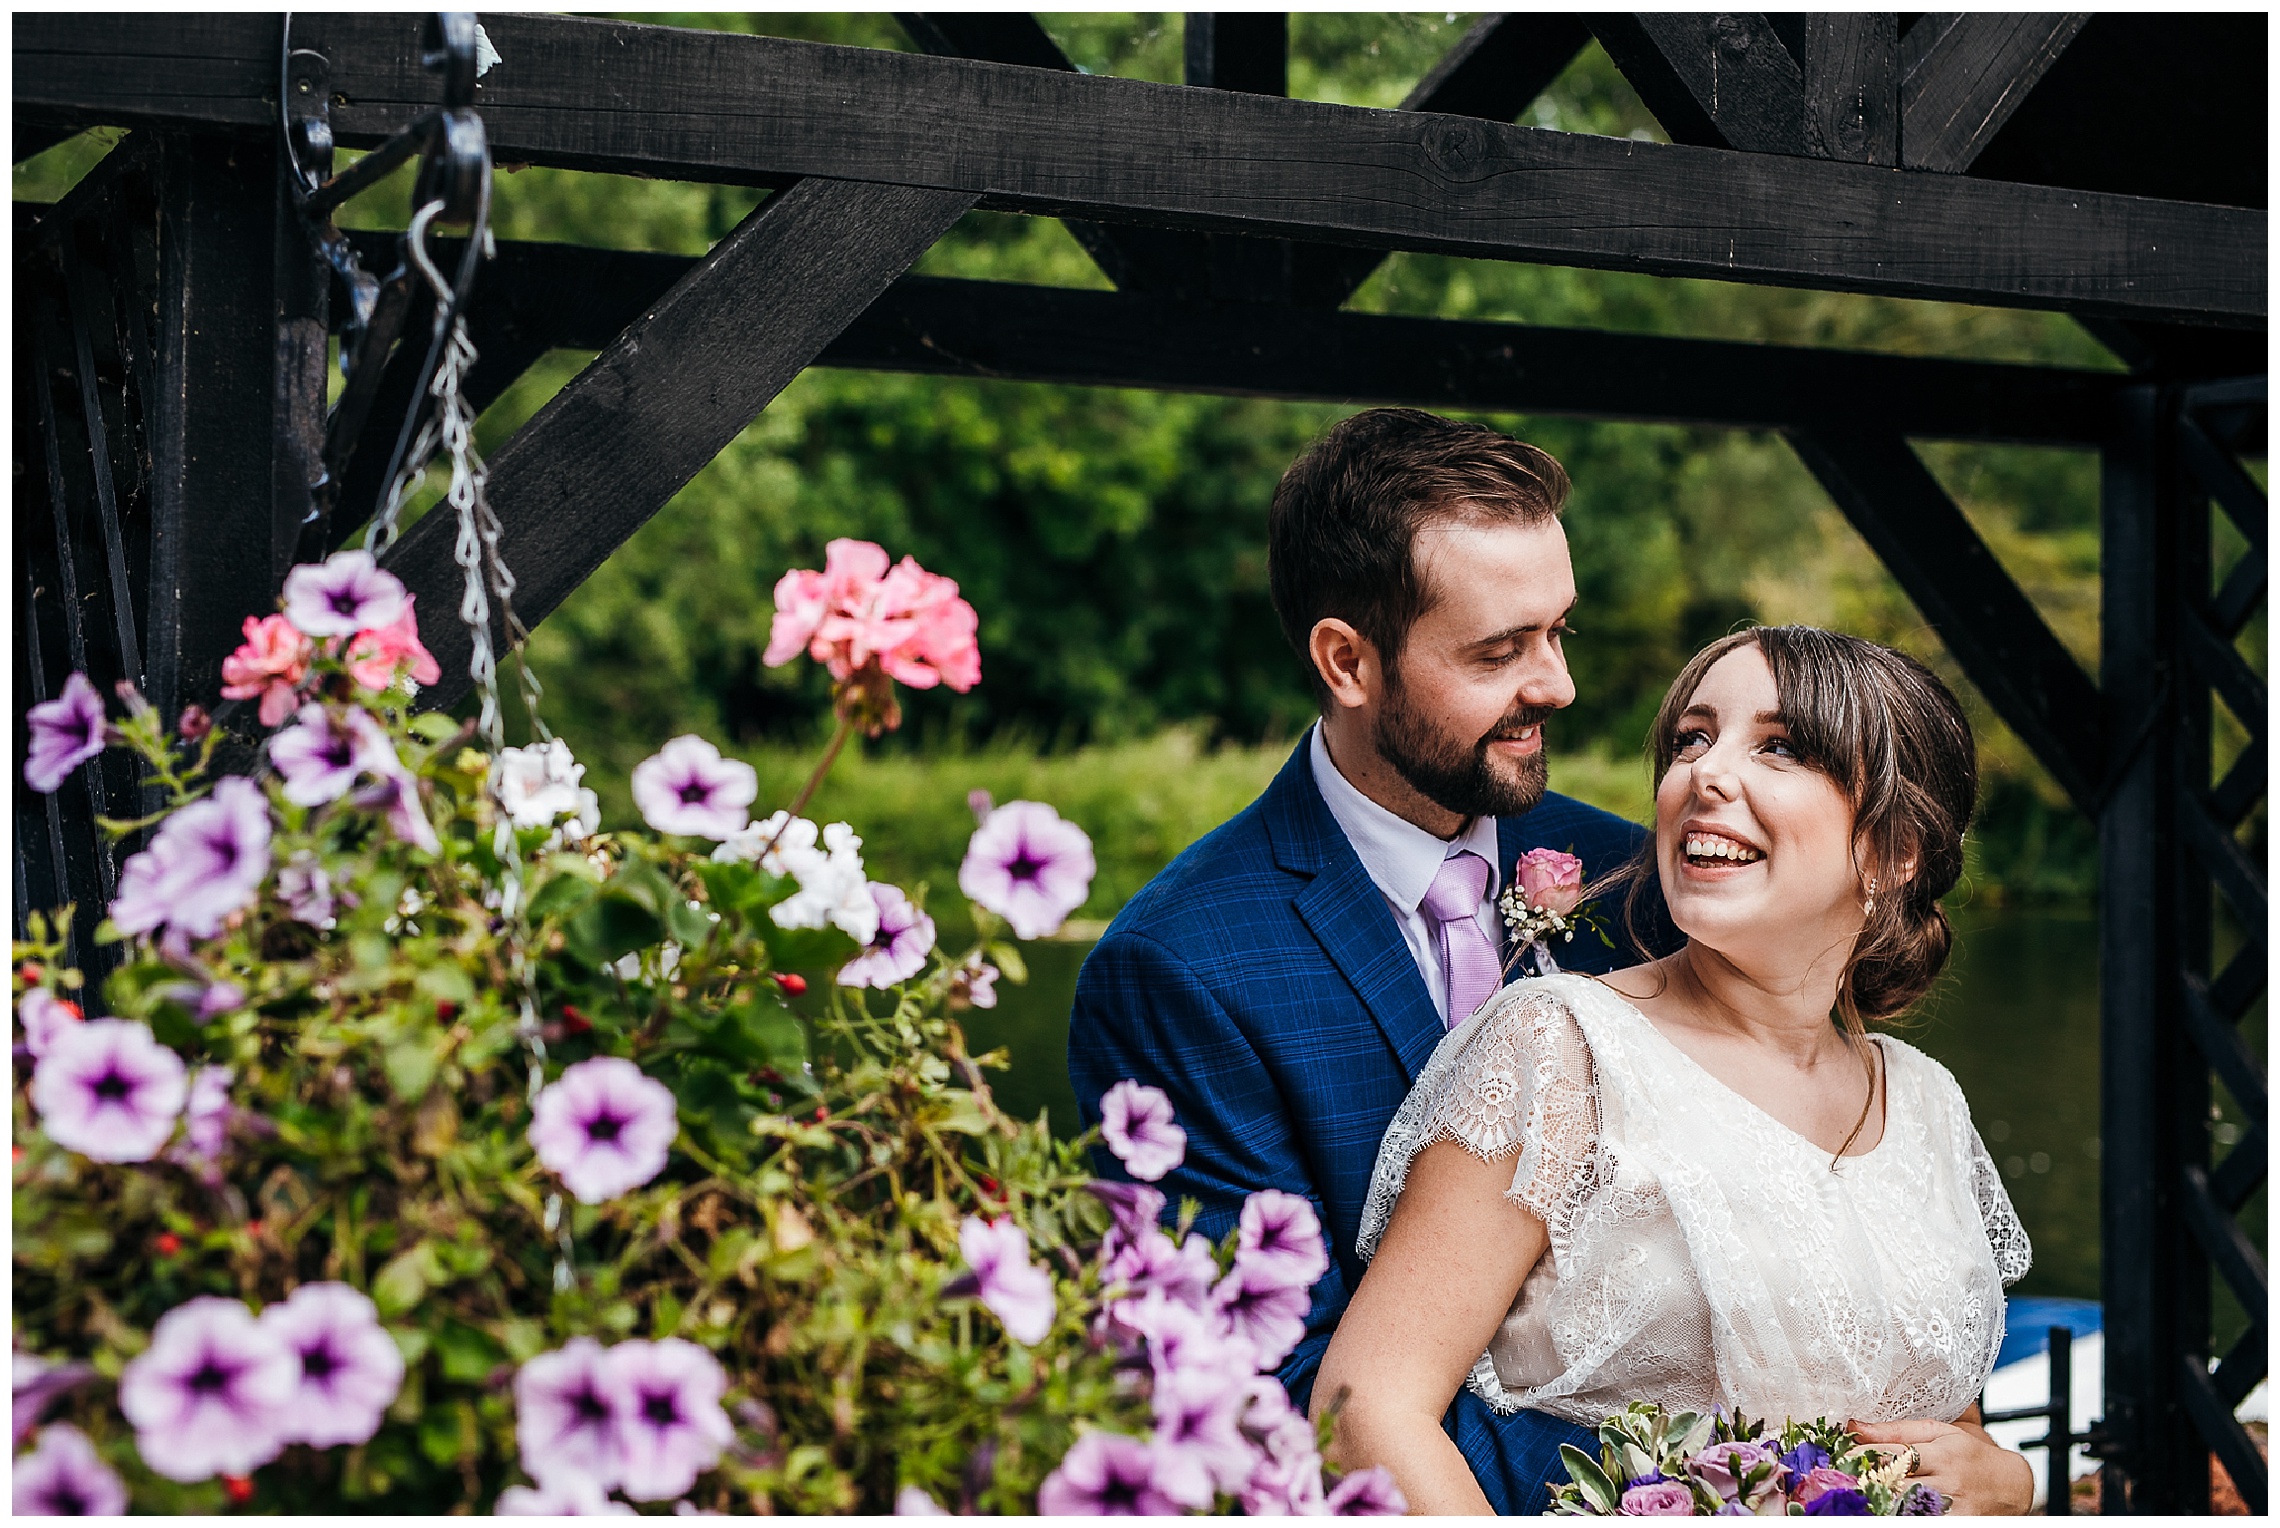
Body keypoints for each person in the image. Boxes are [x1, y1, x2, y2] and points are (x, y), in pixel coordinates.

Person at [1068, 408, 1679, 1512]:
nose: (1557, 687)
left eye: (1561, 633)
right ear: (1347, 660)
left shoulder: (1637, 885)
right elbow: (1269, 1388)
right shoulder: (1178, 969)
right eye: (1500, 650)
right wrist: (1660, 1487)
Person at [1317, 626, 2038, 1514]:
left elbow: (1941, 1417)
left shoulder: (1926, 1102)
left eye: (1778, 747)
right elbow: (1365, 1411)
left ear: (1894, 851)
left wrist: (2007, 1476)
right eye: (1692, 739)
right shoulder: (1562, 1049)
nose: (1704, 774)